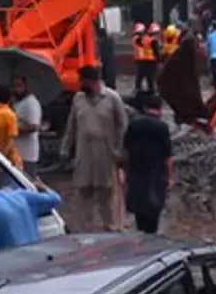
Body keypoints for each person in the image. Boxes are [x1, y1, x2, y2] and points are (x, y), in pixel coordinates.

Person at [61, 66, 129, 231]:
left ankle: (112, 226)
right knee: (83, 190)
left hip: (106, 151)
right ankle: (84, 228)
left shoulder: (112, 98)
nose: (79, 85)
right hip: (84, 150)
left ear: (91, 81)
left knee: (107, 192)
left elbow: (123, 126)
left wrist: (120, 152)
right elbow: (71, 126)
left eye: (82, 81)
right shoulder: (78, 99)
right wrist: (65, 148)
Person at [0, 170, 62, 252]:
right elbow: (55, 199)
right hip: (35, 254)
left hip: (12, 261)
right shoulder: (23, 195)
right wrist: (42, 186)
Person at [120, 94, 173, 234]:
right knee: (154, 211)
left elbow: (126, 151)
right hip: (156, 173)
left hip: (137, 172)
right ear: (160, 109)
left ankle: (141, 233)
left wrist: (125, 172)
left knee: (139, 209)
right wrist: (170, 177)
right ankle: (151, 235)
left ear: (144, 107)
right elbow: (167, 156)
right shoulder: (162, 127)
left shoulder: (134, 124)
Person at [12, 76, 43, 178]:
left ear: (25, 86)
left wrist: (14, 130)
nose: (17, 88)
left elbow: (34, 127)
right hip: (17, 152)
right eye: (15, 86)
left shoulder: (31, 103)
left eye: (19, 85)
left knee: (28, 181)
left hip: (27, 154)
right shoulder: (16, 103)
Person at [131, 22, 158, 94]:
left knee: (139, 78)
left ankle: (137, 90)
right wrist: (158, 59)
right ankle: (151, 92)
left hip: (139, 61)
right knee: (150, 79)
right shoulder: (151, 40)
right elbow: (155, 51)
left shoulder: (135, 39)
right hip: (150, 61)